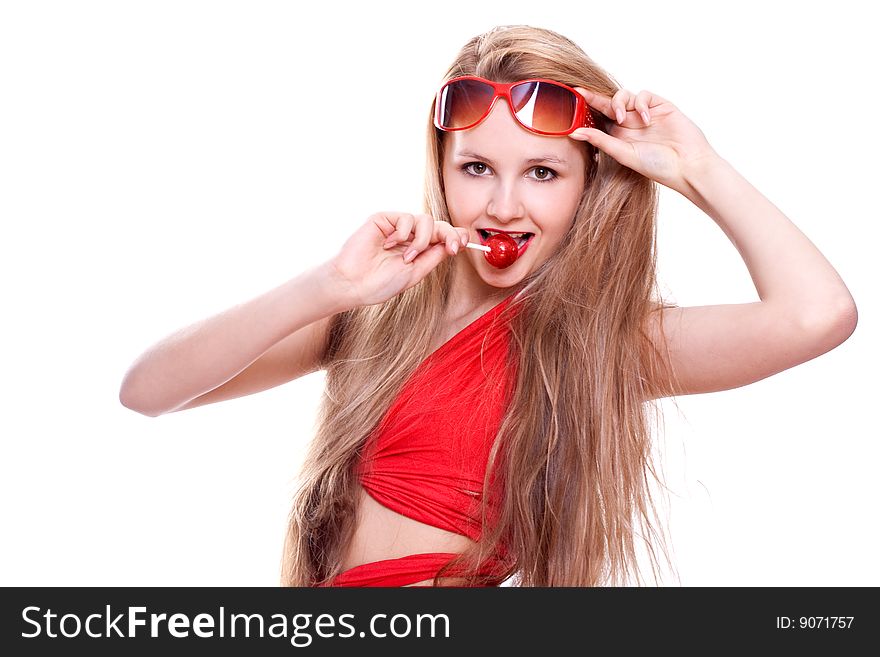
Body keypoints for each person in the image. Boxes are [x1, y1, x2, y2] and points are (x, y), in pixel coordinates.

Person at [119, 25, 857, 587]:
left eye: (542, 172)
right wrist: (328, 288)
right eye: (477, 167)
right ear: (441, 170)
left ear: (589, 181)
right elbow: (147, 391)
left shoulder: (607, 342)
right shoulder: (375, 312)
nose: (504, 206)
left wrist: (696, 166)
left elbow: (815, 313)